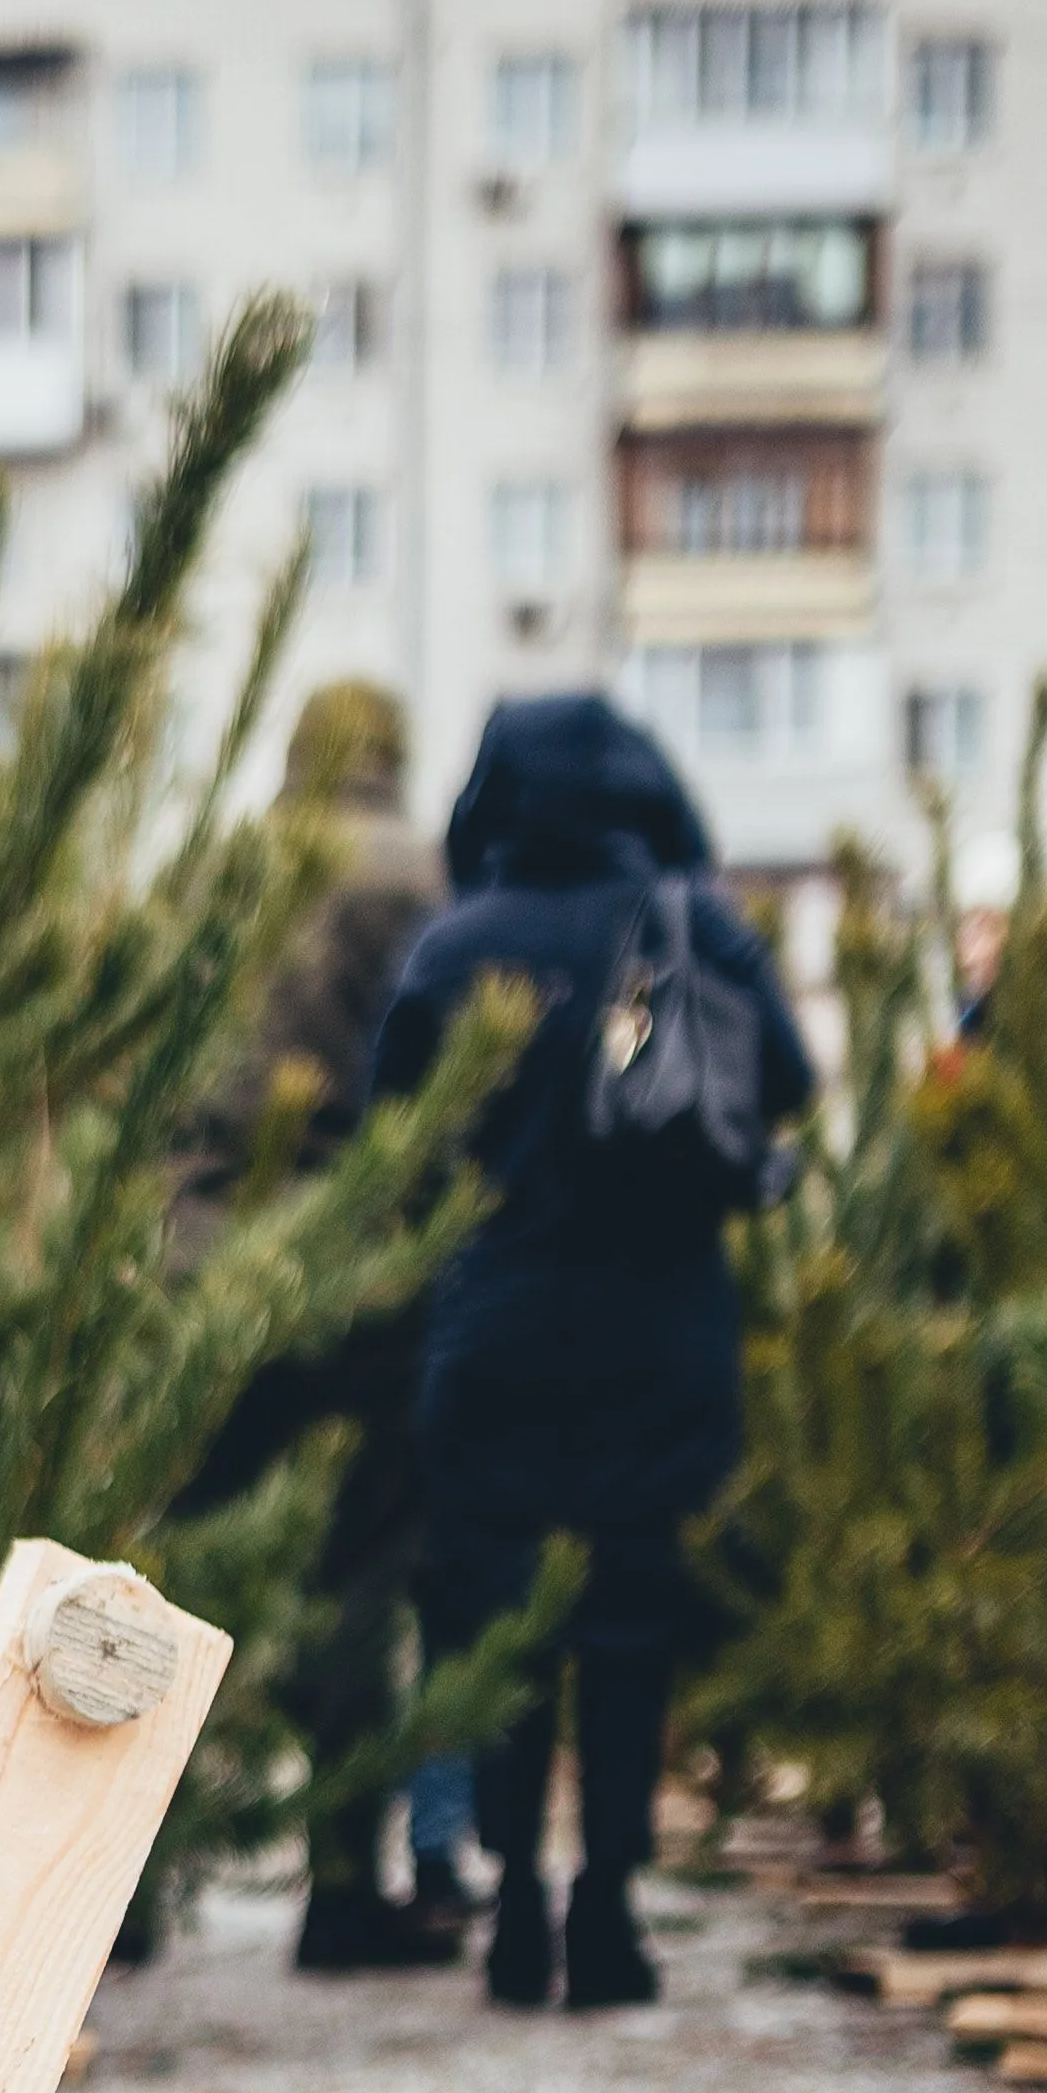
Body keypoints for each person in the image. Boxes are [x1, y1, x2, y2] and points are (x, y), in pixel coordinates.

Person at [372, 694, 816, 2009]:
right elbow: (783, 1081)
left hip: (495, 1319)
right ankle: (608, 1904)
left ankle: (512, 1901)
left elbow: (391, 1130)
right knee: (630, 1615)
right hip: (657, 1317)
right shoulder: (699, 925)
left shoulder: (454, 945)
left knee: (497, 1614)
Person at [220, 682, 471, 1969]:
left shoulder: (220, 867)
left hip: (201, 1252)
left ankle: (126, 1898)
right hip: (368, 1257)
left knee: (177, 1568)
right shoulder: (424, 875)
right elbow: (444, 1070)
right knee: (360, 1571)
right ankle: (338, 1886)